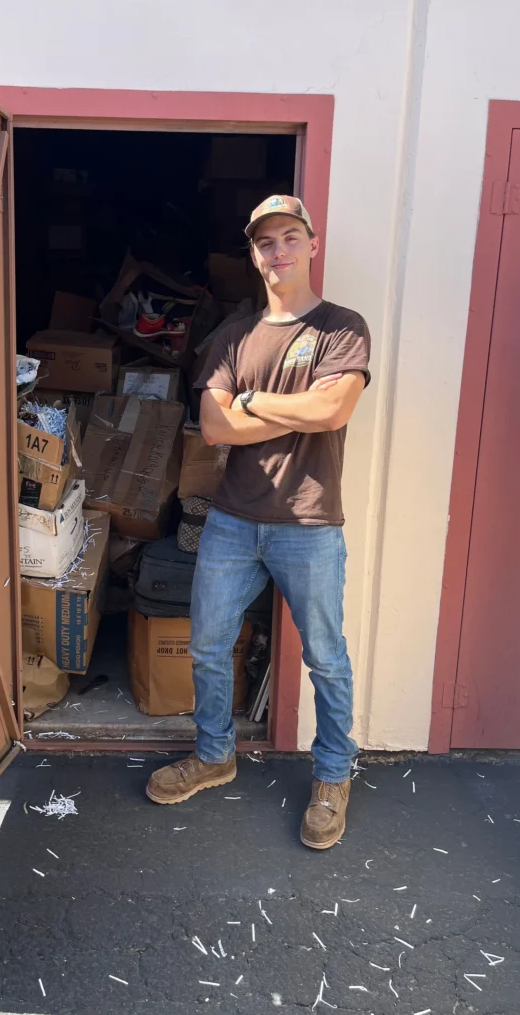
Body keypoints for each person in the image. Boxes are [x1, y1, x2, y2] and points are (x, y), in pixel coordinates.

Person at [146, 194, 370, 850]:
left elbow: (334, 411)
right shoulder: (233, 335)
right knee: (209, 645)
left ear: (311, 244)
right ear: (254, 253)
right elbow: (215, 427)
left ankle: (333, 776)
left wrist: (253, 402)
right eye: (266, 242)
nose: (279, 251)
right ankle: (215, 755)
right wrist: (289, 407)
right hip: (234, 520)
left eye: (290, 237)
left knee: (326, 659)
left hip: (308, 522)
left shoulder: (339, 327)